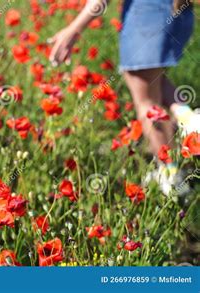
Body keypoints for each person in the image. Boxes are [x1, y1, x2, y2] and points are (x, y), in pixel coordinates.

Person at [49, 0, 198, 195]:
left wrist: (73, 30)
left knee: (147, 104)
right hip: (178, 13)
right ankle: (189, 119)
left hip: (147, 16)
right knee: (151, 80)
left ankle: (172, 177)